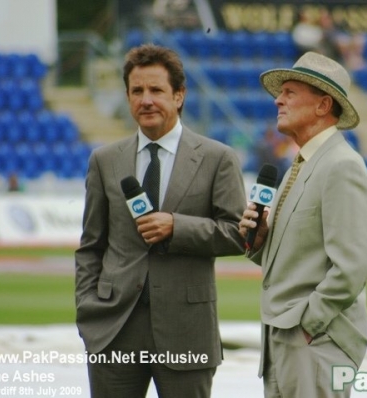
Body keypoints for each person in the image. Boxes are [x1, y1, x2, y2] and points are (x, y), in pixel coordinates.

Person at [75, 44, 247, 398]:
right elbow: (91, 246)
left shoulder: (218, 158)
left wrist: (177, 226)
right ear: (127, 96)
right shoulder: (105, 160)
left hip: (187, 329)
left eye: (156, 90)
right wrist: (88, 308)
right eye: (137, 91)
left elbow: (237, 235)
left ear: (179, 96)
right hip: (113, 329)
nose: (146, 100)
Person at [238, 51, 367, 397]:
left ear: (322, 105)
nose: (278, 101)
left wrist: (308, 324)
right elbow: (299, 254)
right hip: (288, 339)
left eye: (290, 93)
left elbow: (353, 266)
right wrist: (260, 242)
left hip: (313, 342)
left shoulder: (342, 166)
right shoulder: (299, 165)